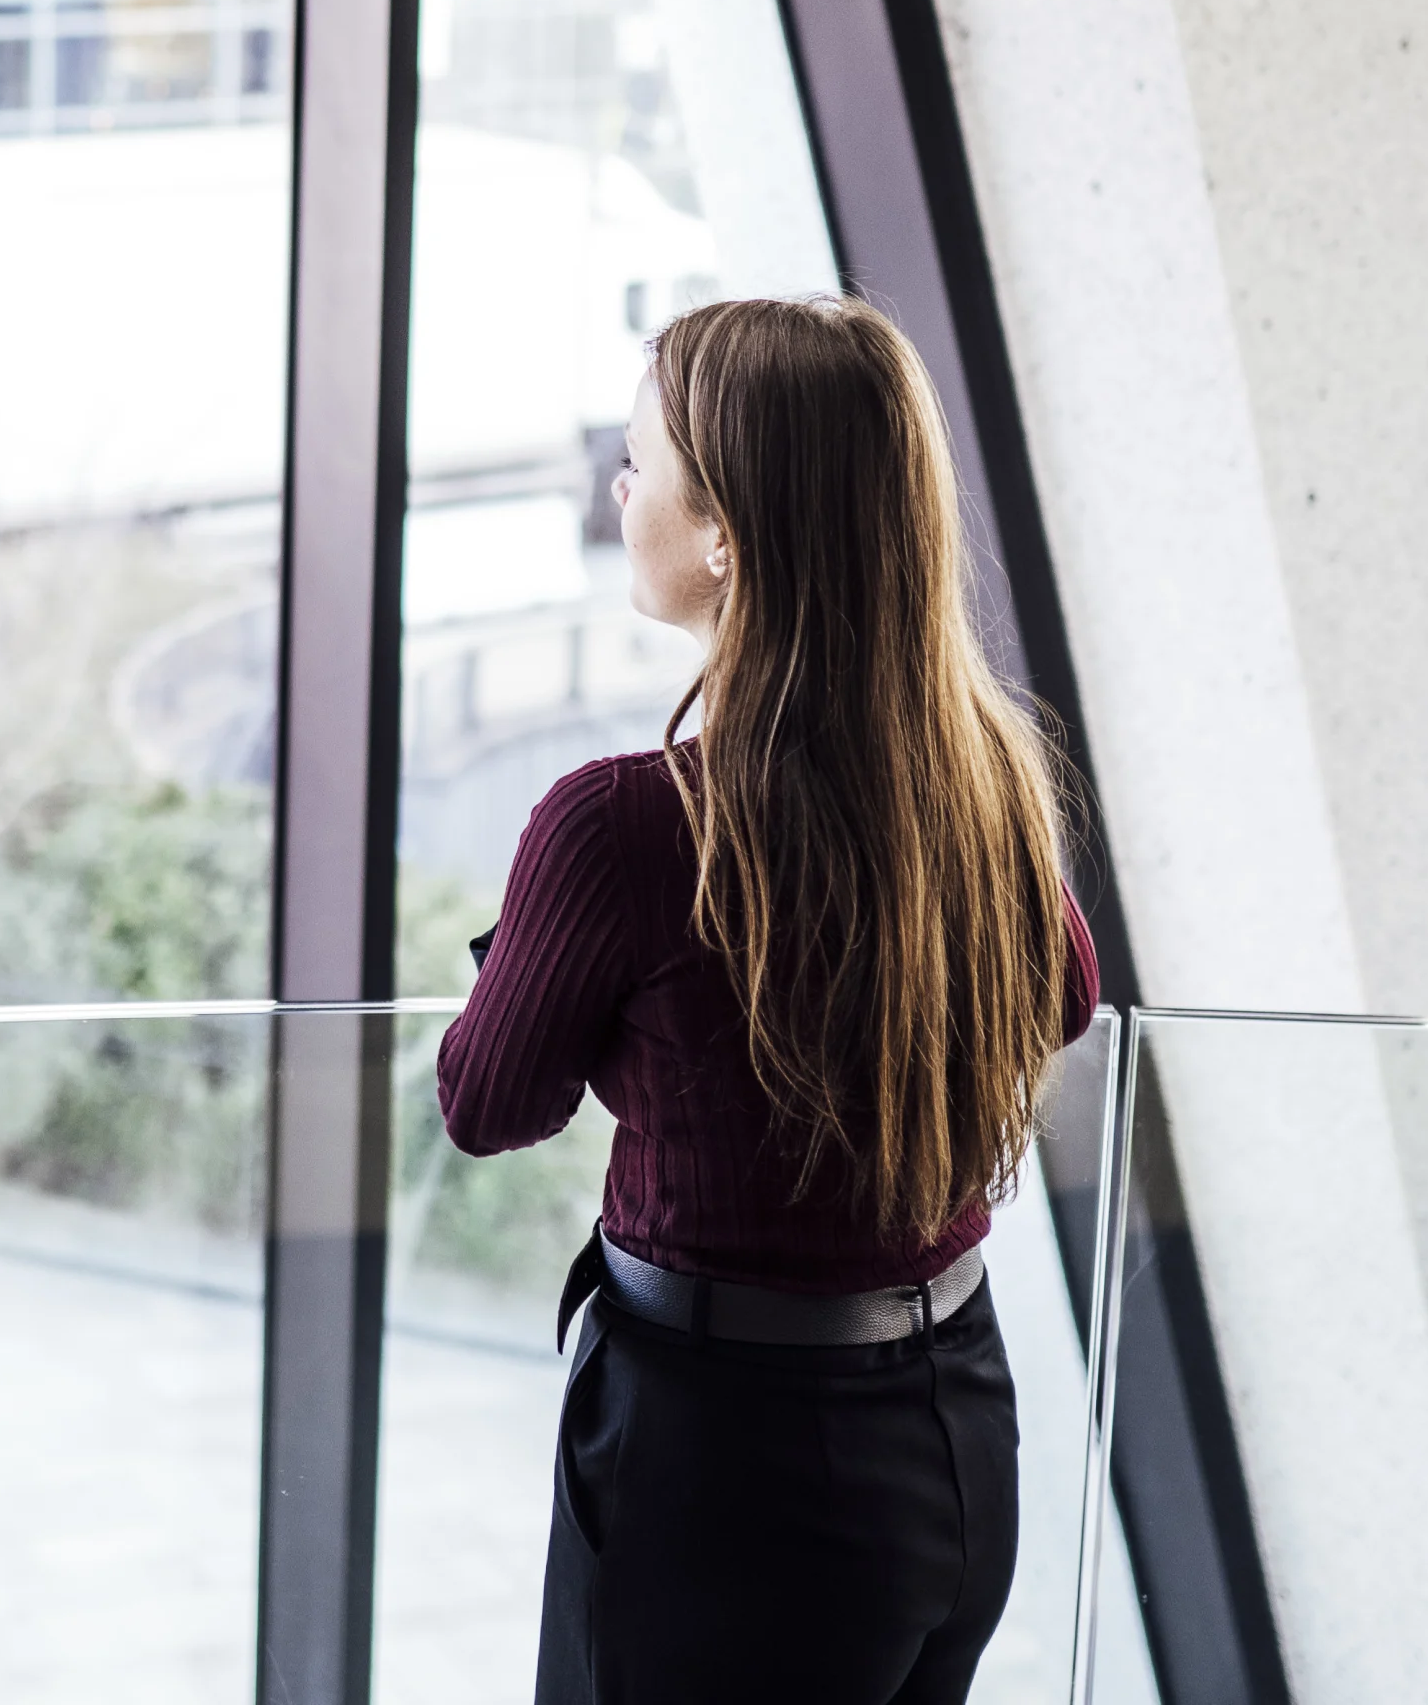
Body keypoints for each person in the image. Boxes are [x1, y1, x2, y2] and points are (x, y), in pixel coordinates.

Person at [438, 295, 1099, 1705]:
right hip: (958, 1431)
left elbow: (488, 1105)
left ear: (727, 532)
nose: (618, 488)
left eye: (640, 462)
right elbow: (1066, 1000)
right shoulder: (978, 779)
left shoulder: (619, 827)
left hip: (725, 1465)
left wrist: (554, 964)